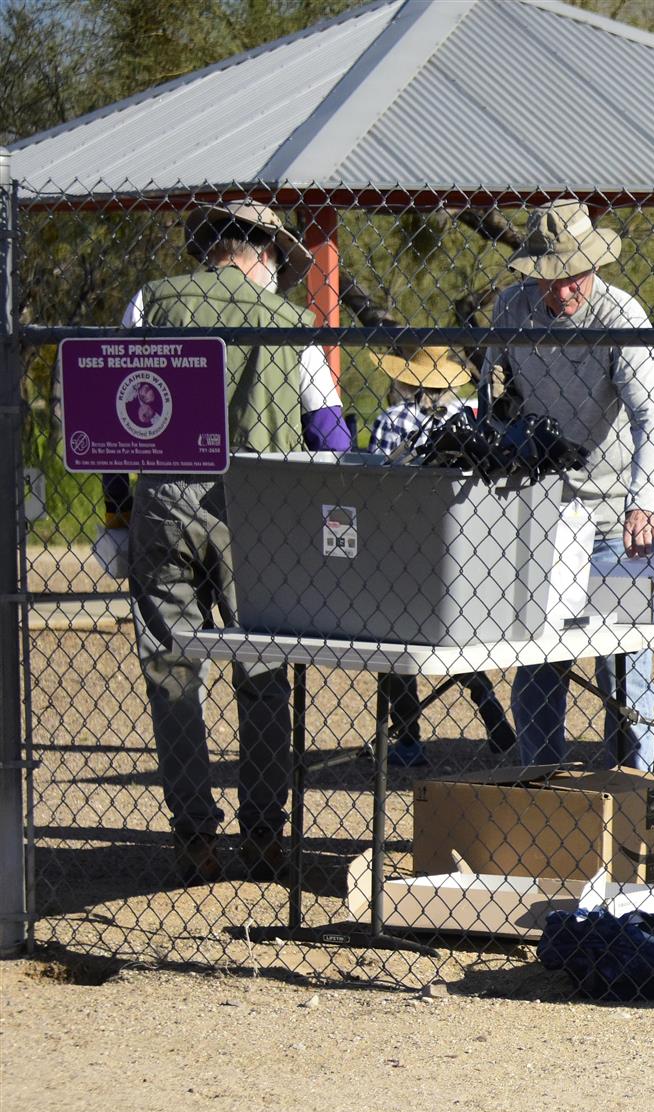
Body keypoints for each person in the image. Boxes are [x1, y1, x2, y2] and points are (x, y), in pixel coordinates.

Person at [106, 199, 352, 884]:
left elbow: (109, 408)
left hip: (164, 501)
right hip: (259, 510)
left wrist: (117, 512)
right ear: (266, 255)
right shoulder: (291, 324)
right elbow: (329, 431)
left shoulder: (152, 302)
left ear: (209, 248)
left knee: (172, 671)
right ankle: (264, 836)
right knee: (263, 674)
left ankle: (195, 840)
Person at [487, 200, 654, 772]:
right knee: (536, 664)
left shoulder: (621, 315)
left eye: (574, 277)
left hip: (614, 516)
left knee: (623, 667)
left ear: (594, 265)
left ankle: (636, 788)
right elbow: (494, 397)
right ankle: (541, 783)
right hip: (540, 514)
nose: (563, 291)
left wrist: (643, 504)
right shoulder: (511, 308)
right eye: (550, 278)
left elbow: (651, 417)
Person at [367, 347, 516, 769]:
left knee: (394, 642)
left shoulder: (391, 421)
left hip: (399, 543)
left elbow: (374, 481)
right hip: (455, 545)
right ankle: (488, 706)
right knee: (455, 634)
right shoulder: (465, 420)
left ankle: (409, 737)